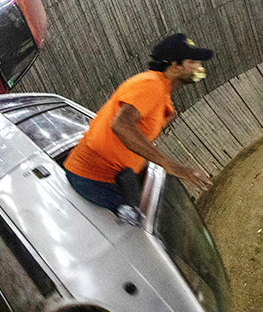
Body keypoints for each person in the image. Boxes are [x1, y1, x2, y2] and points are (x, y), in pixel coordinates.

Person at [63, 33, 215, 216]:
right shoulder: (151, 84)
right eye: (193, 62)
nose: (199, 67)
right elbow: (121, 125)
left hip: (119, 178)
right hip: (92, 178)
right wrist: (171, 166)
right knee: (138, 233)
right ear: (175, 66)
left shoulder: (163, 96)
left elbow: (137, 139)